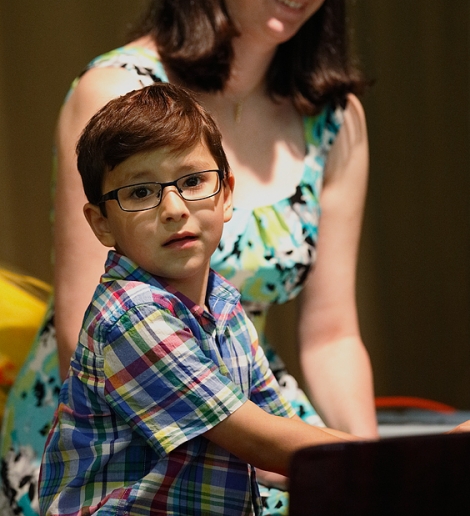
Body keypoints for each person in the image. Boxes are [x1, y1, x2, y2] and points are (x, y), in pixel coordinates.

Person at [2, 0, 375, 515]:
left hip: (250, 418)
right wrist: (342, 461)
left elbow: (332, 333)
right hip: (132, 432)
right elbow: (87, 319)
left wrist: (373, 469)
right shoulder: (116, 89)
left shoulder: (333, 117)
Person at [39, 83, 358, 516]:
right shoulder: (131, 315)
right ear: (101, 224)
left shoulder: (223, 303)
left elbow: (286, 435)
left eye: (192, 181)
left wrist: (397, 465)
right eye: (140, 192)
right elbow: (262, 442)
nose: (173, 208)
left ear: (226, 195)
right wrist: (410, 463)